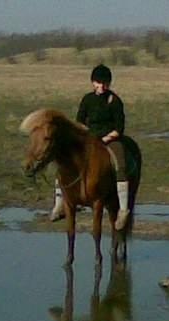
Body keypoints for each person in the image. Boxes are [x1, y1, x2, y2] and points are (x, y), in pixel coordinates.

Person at [50, 64, 130, 230]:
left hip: (110, 139)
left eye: (104, 83)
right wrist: (84, 136)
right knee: (64, 161)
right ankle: (59, 204)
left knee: (120, 164)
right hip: (89, 138)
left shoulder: (115, 101)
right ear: (93, 82)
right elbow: (80, 121)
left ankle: (123, 210)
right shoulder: (87, 99)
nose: (101, 86)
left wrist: (106, 138)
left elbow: (119, 127)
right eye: (98, 82)